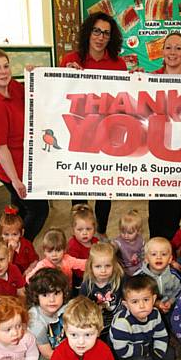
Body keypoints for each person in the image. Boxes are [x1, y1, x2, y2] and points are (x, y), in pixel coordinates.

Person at [61, 12, 126, 236]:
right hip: (79, 132)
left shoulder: (118, 64)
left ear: (111, 37)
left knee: (104, 186)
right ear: (88, 32)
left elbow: (125, 97)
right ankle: (80, 233)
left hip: (107, 134)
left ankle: (100, 233)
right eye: (96, 31)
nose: (100, 37)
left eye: (106, 33)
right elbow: (57, 94)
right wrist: (66, 76)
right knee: (78, 185)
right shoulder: (71, 59)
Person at [0, 48, 49, 241]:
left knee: (17, 214)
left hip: (26, 163)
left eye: (5, 66)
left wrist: (35, 74)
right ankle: (19, 249)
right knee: (38, 210)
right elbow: (0, 148)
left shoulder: (15, 88)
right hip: (12, 169)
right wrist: (15, 180)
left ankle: (9, 256)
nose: (3, 72)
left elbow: (37, 92)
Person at [148, 32, 181, 240]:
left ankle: (170, 254)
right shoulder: (150, 78)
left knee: (174, 209)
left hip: (180, 153)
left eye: (178, 48)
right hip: (155, 153)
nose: (172, 52)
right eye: (168, 47)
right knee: (155, 210)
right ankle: (155, 252)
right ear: (162, 51)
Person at [26, 268, 69, 360]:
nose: (52, 300)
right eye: (45, 295)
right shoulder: (36, 322)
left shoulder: (67, 307)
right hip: (41, 357)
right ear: (36, 296)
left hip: (63, 346)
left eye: (56, 293)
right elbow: (47, 354)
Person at [80, 242, 124, 342]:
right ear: (91, 266)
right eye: (98, 266)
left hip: (119, 323)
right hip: (99, 327)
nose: (103, 270)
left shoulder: (120, 279)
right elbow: (83, 309)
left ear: (114, 265)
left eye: (108, 266)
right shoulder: (87, 286)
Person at [136, 237, 181, 317]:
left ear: (170, 259)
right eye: (154, 254)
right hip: (147, 309)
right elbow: (135, 296)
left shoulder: (174, 275)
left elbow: (180, 291)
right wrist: (155, 303)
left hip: (169, 307)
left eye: (164, 254)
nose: (159, 257)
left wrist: (171, 302)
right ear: (146, 259)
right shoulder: (140, 277)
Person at [0, 205, 38, 275]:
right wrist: (11, 252)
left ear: (21, 233)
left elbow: (34, 260)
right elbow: (4, 271)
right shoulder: (0, 248)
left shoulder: (27, 244)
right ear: (1, 234)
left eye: (14, 234)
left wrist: (29, 270)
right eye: (6, 234)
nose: (10, 238)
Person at [67, 204, 99, 291]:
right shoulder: (73, 245)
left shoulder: (96, 242)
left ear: (94, 229)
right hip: (79, 278)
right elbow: (74, 267)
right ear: (73, 230)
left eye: (88, 229)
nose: (84, 233)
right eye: (80, 230)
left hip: (95, 274)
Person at [112, 209, 145, 276]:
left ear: (138, 231)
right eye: (123, 232)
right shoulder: (119, 242)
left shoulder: (140, 240)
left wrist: (140, 256)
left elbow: (143, 252)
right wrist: (111, 246)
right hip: (124, 271)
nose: (126, 236)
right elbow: (114, 246)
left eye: (130, 233)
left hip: (140, 268)